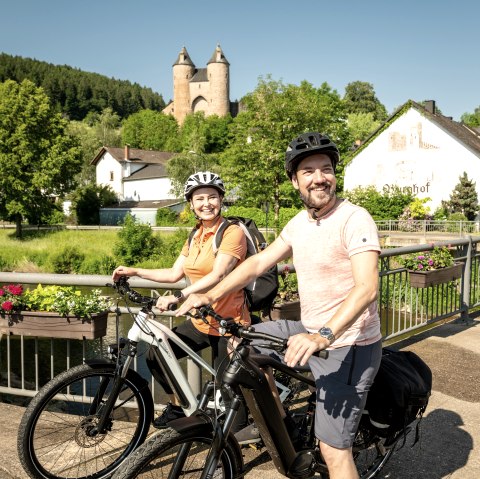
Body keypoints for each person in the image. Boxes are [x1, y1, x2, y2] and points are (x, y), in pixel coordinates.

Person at [176, 132, 383, 479]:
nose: (320, 177)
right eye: (308, 171)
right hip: (309, 327)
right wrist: (208, 295)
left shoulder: (354, 218)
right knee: (243, 342)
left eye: (326, 169)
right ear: (294, 180)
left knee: (334, 452)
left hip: (348, 344)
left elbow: (367, 288)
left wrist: (324, 336)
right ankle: (283, 425)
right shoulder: (299, 223)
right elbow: (257, 264)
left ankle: (328, 444)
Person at [112, 171, 250, 428]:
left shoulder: (232, 232)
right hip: (200, 321)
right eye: (200, 198)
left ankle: (235, 446)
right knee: (157, 355)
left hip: (228, 323)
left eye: (212, 197)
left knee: (229, 391)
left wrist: (179, 296)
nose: (206, 203)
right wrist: (134, 270)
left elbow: (219, 273)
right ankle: (178, 406)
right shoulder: (195, 235)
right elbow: (175, 273)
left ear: (221, 200)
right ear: (191, 204)